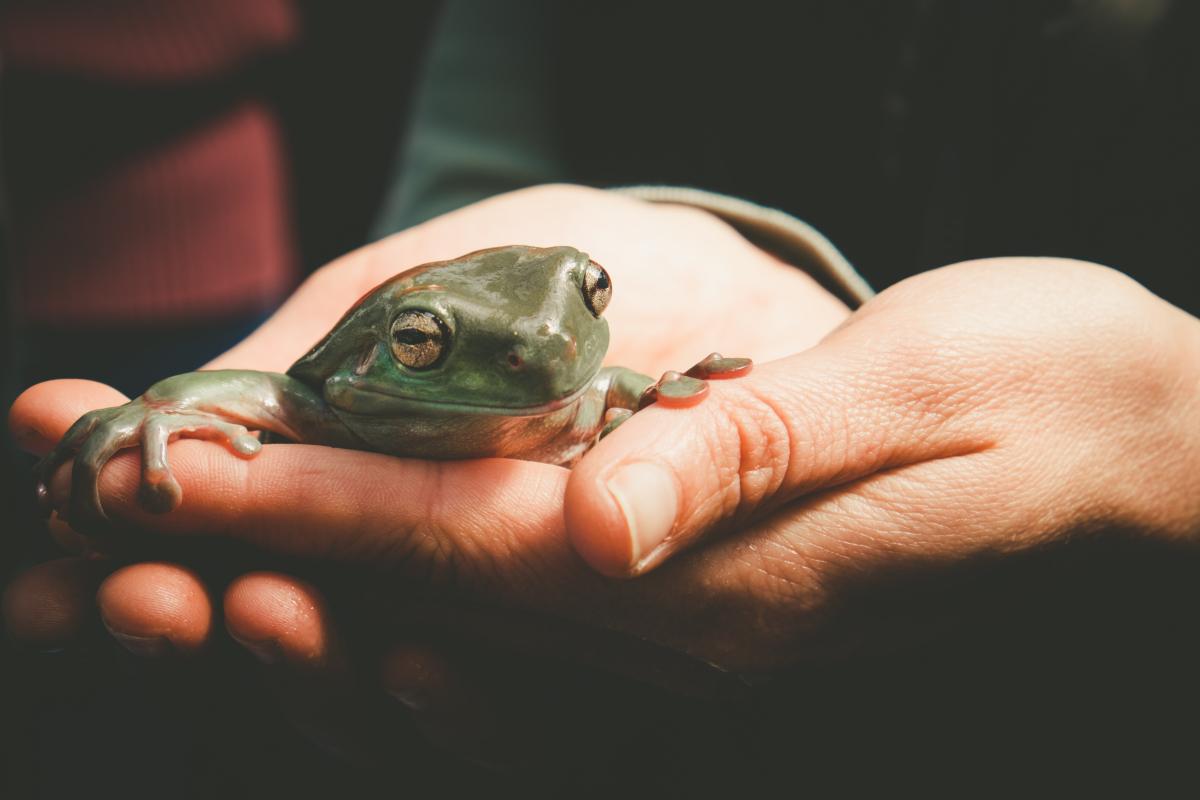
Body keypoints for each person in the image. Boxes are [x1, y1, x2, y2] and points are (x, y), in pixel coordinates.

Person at [8, 2, 1200, 793]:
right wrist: (161, 407)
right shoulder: (332, 403)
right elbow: (269, 388)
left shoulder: (568, 377)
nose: (545, 356)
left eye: (589, 299)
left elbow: (598, 381)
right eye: (427, 341)